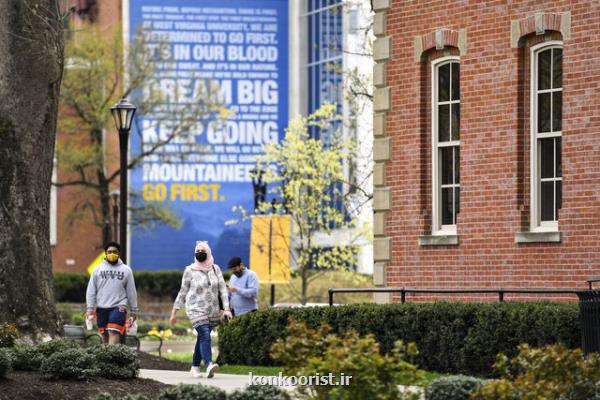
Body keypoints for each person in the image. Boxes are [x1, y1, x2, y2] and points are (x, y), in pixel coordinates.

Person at [170, 241, 232, 378]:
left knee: (201, 338)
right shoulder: (189, 270)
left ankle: (195, 367)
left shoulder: (216, 269)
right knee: (205, 334)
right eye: (197, 251)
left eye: (202, 251)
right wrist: (174, 312)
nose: (199, 253)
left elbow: (223, 290)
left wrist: (227, 309)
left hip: (212, 310)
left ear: (208, 252)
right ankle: (209, 364)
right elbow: (183, 291)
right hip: (195, 309)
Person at [86, 241, 138, 345]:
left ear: (119, 253)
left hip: (119, 306)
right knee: (104, 334)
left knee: (113, 331)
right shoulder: (97, 270)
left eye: (115, 251)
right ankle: (106, 357)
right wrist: (90, 309)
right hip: (101, 307)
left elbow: (131, 291)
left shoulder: (126, 270)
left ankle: (110, 357)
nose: (112, 254)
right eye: (109, 252)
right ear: (105, 253)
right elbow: (91, 290)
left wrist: (134, 310)